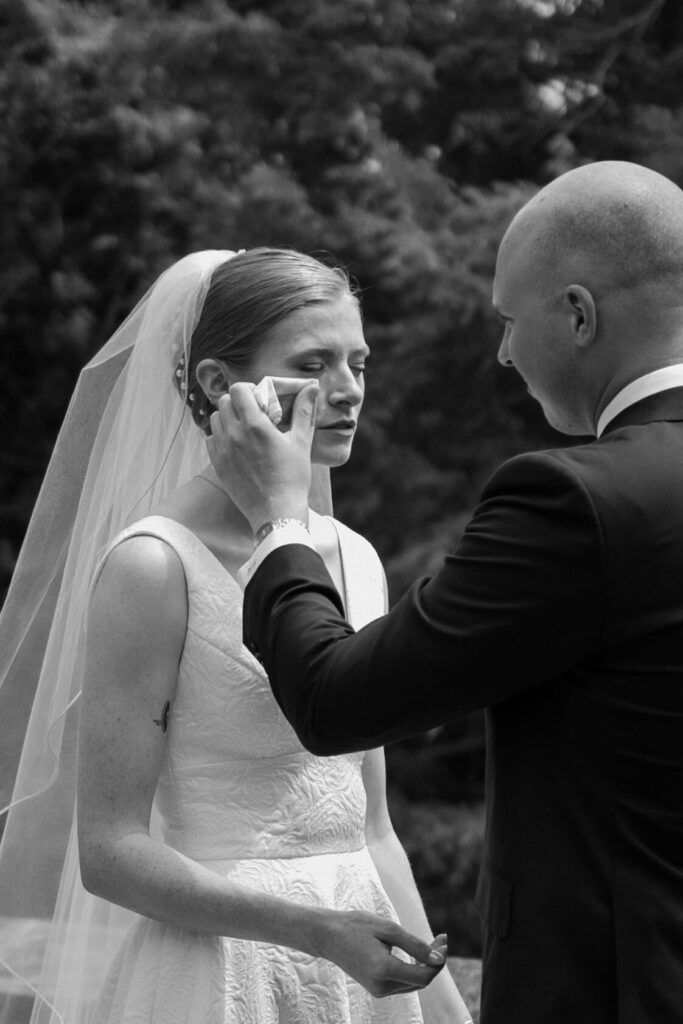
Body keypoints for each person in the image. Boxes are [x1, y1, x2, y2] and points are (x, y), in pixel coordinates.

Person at [207, 161, 683, 1024]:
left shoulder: (582, 501)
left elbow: (337, 699)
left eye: (508, 320)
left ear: (577, 314)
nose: (502, 352)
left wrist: (280, 520)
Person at [0, 248, 473, 1023]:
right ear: (221, 385)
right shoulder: (153, 567)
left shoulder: (353, 556)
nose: (348, 390)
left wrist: (445, 1008)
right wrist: (316, 932)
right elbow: (111, 853)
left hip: (363, 973)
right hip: (217, 977)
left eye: (358, 361)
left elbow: (372, 825)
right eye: (314, 363)